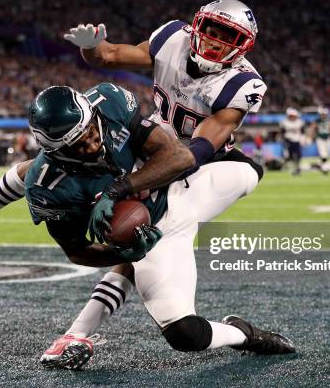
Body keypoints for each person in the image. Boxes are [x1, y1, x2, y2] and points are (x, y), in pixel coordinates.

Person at [0, 0, 271, 366]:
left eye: (226, 35)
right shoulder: (171, 39)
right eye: (210, 29)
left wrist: (121, 188)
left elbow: (187, 155)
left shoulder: (242, 83)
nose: (213, 40)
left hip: (211, 163)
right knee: (162, 290)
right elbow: (111, 56)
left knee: (146, 217)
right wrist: (92, 48)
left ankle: (76, 332)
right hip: (153, 151)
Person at [28, 85, 292, 368]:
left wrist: (117, 189)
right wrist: (125, 254)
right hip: (158, 234)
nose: (92, 146)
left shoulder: (111, 104)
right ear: (54, 152)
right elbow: (76, 251)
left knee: (250, 172)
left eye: (91, 132)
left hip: (182, 192)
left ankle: (77, 331)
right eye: (78, 146)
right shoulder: (48, 188)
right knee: (185, 334)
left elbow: (178, 156)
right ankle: (244, 334)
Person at [309, 107, 330, 174]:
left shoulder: (329, 120)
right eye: (322, 114)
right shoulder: (317, 121)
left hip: (328, 138)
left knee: (327, 153)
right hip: (320, 138)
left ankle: (323, 165)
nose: (323, 115)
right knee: (322, 153)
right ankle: (325, 168)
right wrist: (310, 137)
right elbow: (312, 128)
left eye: (324, 114)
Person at [279, 108, 304, 176]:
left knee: (298, 155)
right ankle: (292, 168)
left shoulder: (299, 122)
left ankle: (297, 168)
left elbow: (302, 132)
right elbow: (282, 132)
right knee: (289, 156)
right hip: (288, 140)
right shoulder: (285, 122)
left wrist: (303, 139)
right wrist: (283, 140)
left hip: (297, 140)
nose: (293, 117)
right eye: (291, 115)